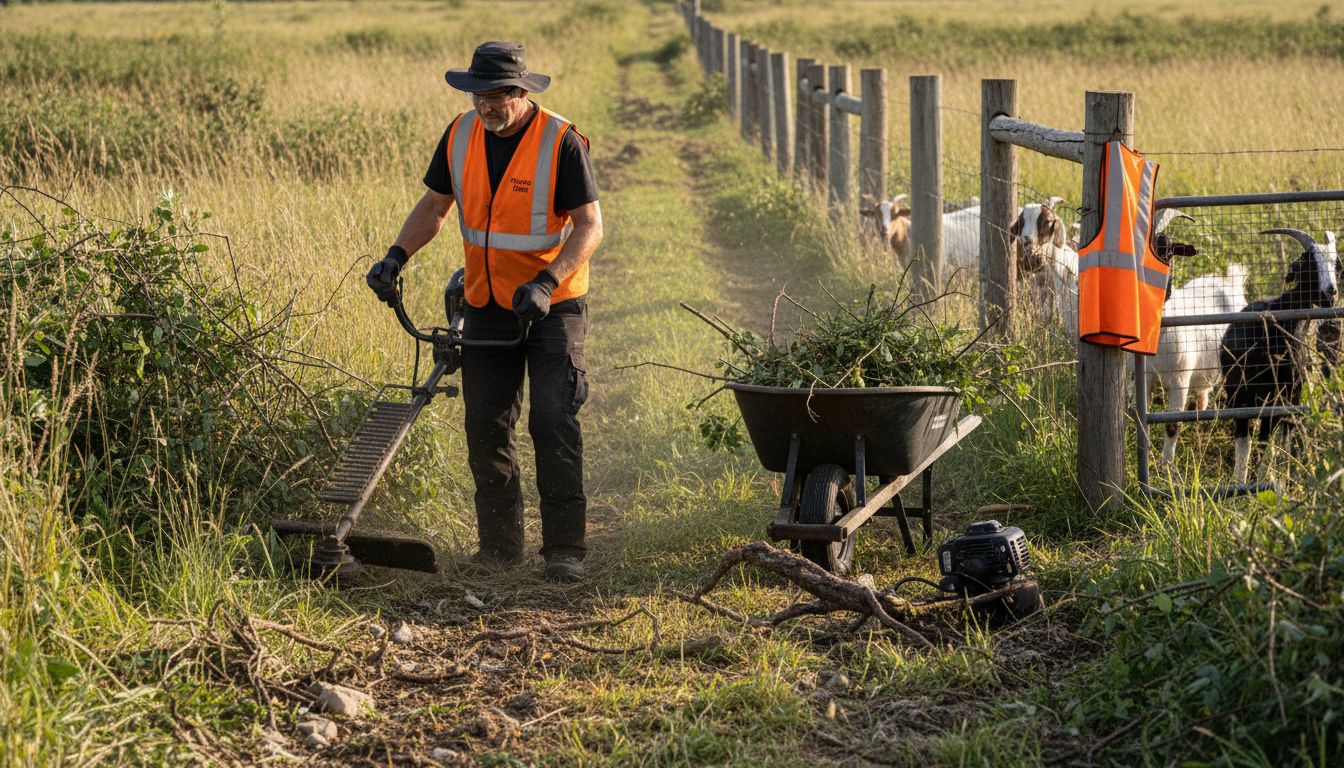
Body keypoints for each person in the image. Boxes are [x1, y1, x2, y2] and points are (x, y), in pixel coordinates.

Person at [365, 41, 602, 583]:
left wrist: (546, 281)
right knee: (485, 425)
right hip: (486, 303)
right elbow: (434, 206)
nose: (484, 107)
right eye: (476, 96)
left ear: (521, 93)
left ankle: (565, 549)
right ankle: (499, 548)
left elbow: (590, 227)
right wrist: (395, 257)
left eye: (495, 97)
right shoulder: (460, 133)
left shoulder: (560, 142)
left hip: (552, 307)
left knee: (552, 421)